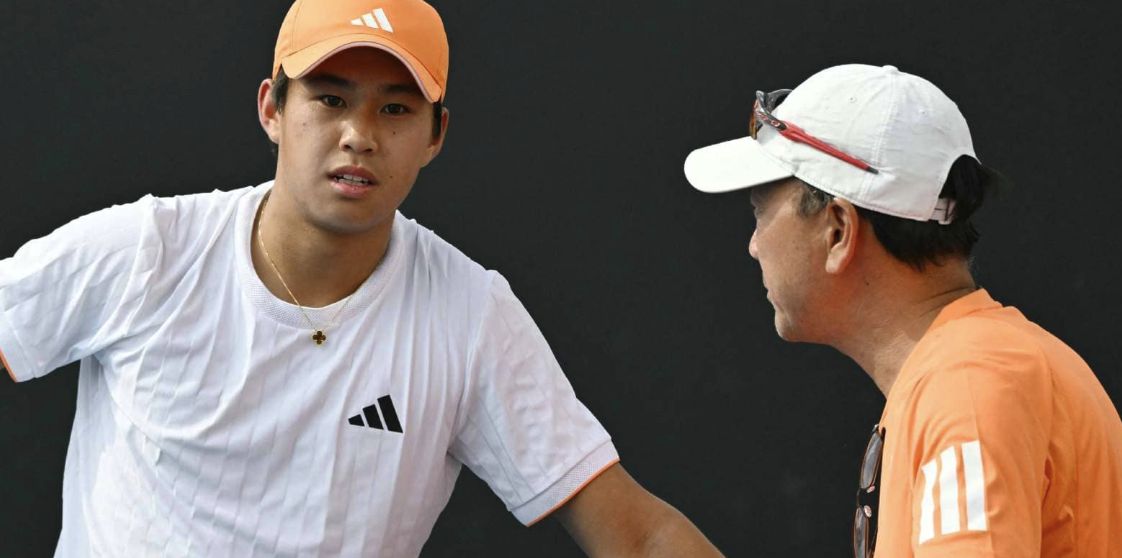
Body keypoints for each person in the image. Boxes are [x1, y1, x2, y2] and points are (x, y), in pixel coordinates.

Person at [0, 0, 722, 556]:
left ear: (436, 135)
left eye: (396, 108)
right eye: (330, 98)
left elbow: (638, 537)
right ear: (272, 108)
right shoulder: (146, 251)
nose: (360, 134)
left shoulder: (471, 315)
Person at [684, 64, 1122, 557]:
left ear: (838, 230)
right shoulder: (966, 372)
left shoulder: (966, 385)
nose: (753, 245)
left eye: (760, 211)